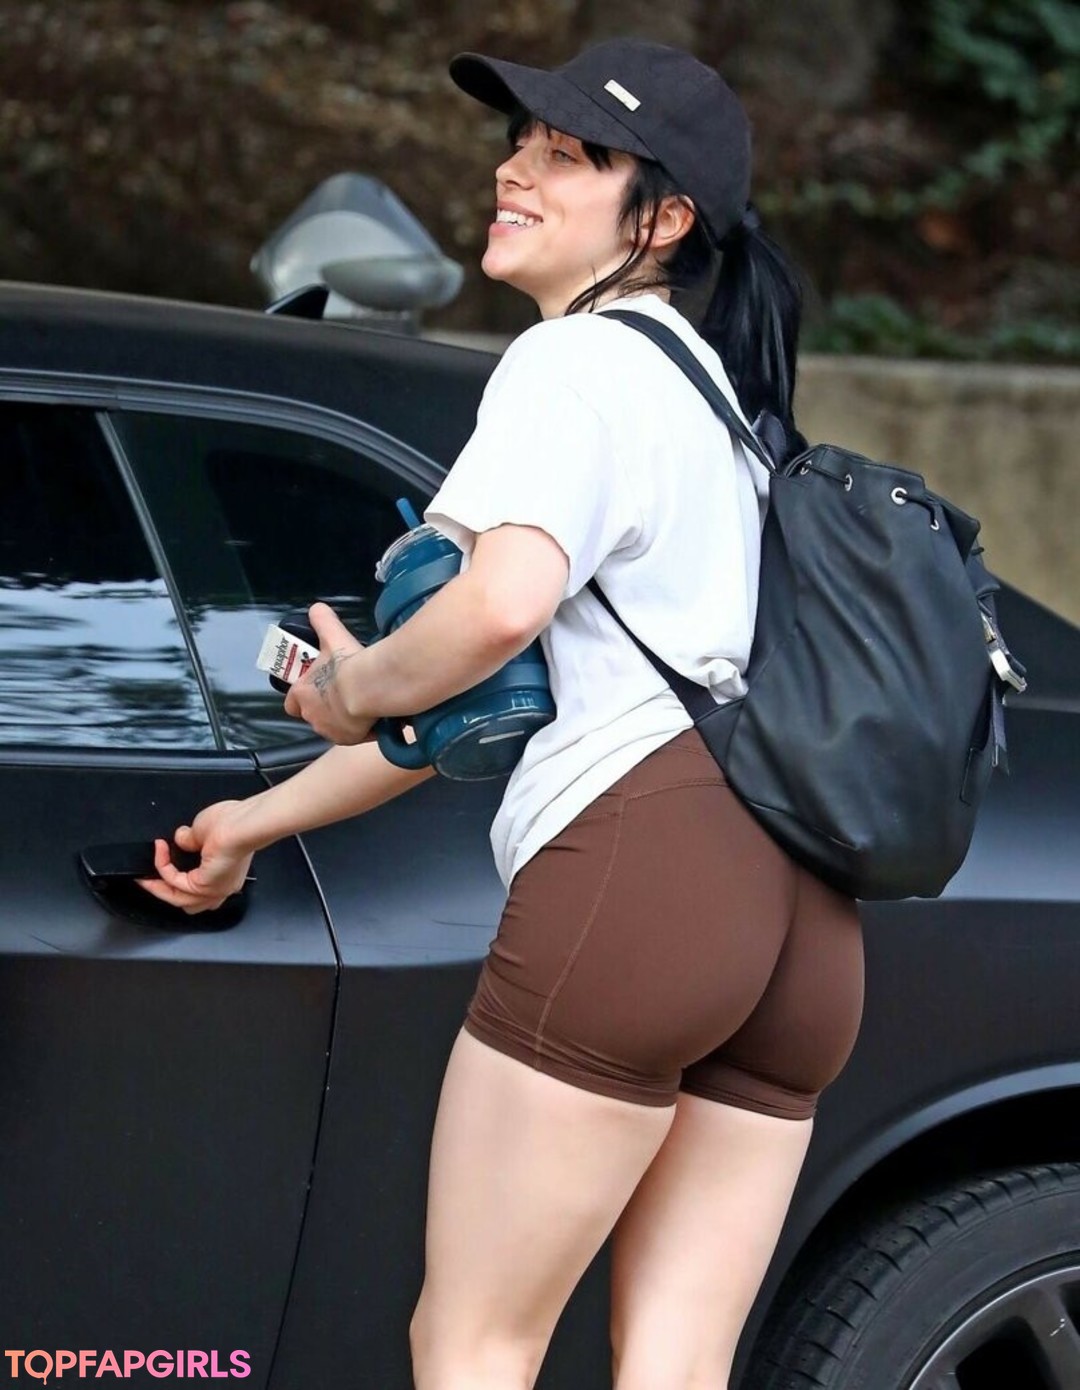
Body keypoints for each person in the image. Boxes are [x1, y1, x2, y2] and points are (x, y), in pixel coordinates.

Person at [140, 37, 864, 1390]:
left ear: (663, 218)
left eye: (566, 155)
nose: (512, 172)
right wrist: (253, 820)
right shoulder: (730, 406)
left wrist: (351, 686)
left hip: (643, 880)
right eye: (519, 142)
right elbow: (490, 710)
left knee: (474, 1342)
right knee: (677, 1366)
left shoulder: (571, 364)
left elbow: (494, 613)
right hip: (800, 920)